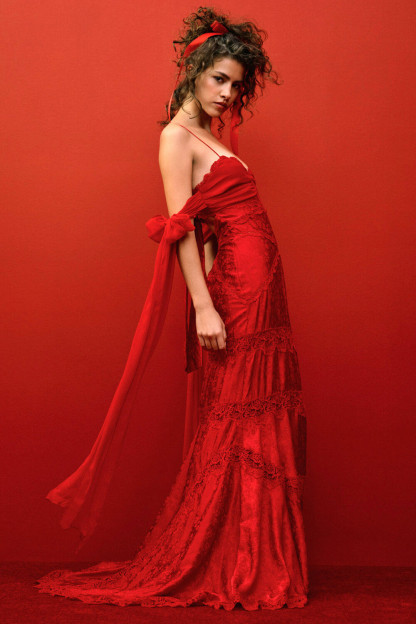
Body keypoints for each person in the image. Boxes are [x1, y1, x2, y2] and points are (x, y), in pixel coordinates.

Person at [35, 7, 309, 610]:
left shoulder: (213, 134)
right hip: (236, 293)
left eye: (236, 84)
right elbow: (181, 230)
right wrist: (204, 306)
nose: (227, 92)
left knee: (255, 410)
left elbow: (209, 224)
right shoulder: (176, 138)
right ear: (194, 71)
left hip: (259, 286)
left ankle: (256, 554)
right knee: (237, 412)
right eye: (219, 79)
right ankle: (235, 558)